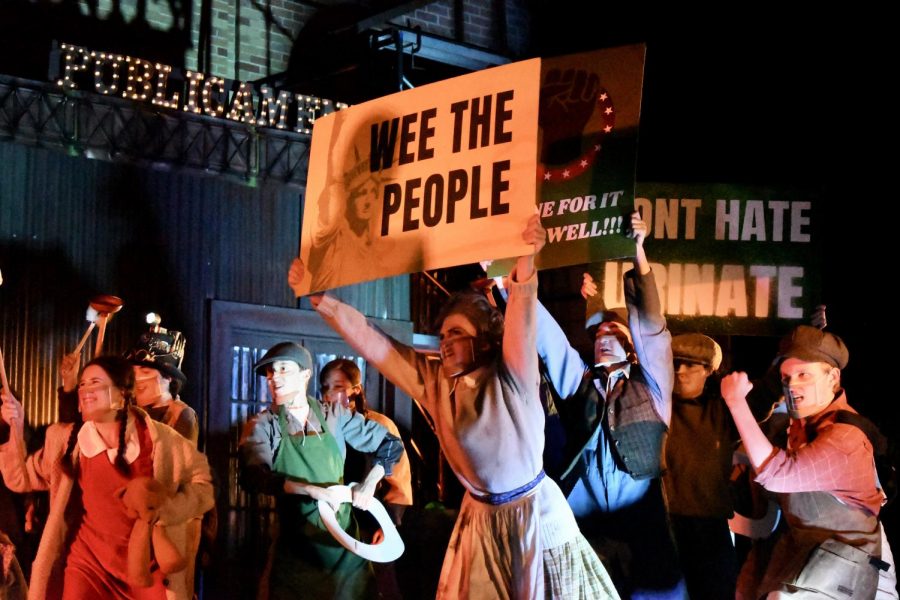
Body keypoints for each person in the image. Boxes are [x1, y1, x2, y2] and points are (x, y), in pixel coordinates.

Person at [293, 214, 619, 599]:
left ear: (484, 340)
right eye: (443, 334)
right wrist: (323, 302)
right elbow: (377, 345)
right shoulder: (437, 384)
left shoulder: (513, 375)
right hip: (480, 520)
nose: (445, 342)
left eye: (457, 333)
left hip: (532, 517)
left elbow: (523, 314)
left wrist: (526, 260)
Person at [535, 211, 685, 598]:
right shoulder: (582, 381)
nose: (602, 337)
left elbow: (652, 328)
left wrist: (639, 252)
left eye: (612, 333)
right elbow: (551, 344)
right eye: (598, 334)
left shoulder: (650, 383)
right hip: (584, 519)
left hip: (641, 519)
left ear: (631, 348)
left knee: (655, 589)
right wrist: (510, 284)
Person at [0, 355, 214, 600]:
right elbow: (19, 479)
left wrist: (165, 508)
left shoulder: (161, 441)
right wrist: (13, 427)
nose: (86, 390)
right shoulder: (64, 441)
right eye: (82, 384)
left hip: (143, 565)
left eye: (95, 382)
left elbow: (203, 488)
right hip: (87, 564)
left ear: (122, 394)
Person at [721, 325, 885, 598]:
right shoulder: (800, 425)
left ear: (833, 377)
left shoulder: (844, 438)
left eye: (804, 375)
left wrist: (736, 401)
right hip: (802, 552)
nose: (792, 385)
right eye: (786, 378)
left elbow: (777, 473)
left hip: (840, 564)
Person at [238, 342, 405, 600]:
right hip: (297, 551)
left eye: (283, 369)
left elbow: (390, 444)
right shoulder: (264, 424)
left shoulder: (334, 415)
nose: (275, 378)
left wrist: (370, 482)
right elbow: (254, 475)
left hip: (345, 547)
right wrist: (308, 490)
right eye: (270, 373)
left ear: (305, 374)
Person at [663, 333, 739, 599]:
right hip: (663, 526)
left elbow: (770, 391)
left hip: (709, 530)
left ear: (708, 370)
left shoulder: (725, 411)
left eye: (690, 364)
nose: (680, 371)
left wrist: (810, 336)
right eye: (675, 363)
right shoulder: (654, 405)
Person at [319, 358, 413, 524]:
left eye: (338, 387)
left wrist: (386, 525)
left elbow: (399, 483)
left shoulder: (378, 425)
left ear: (356, 390)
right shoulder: (319, 423)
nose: (329, 393)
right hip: (328, 512)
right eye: (325, 387)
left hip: (366, 515)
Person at [124, 316, 198, 446]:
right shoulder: (131, 410)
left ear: (168, 377)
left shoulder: (181, 414)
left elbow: (179, 462)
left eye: (145, 371)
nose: (137, 378)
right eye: (133, 372)